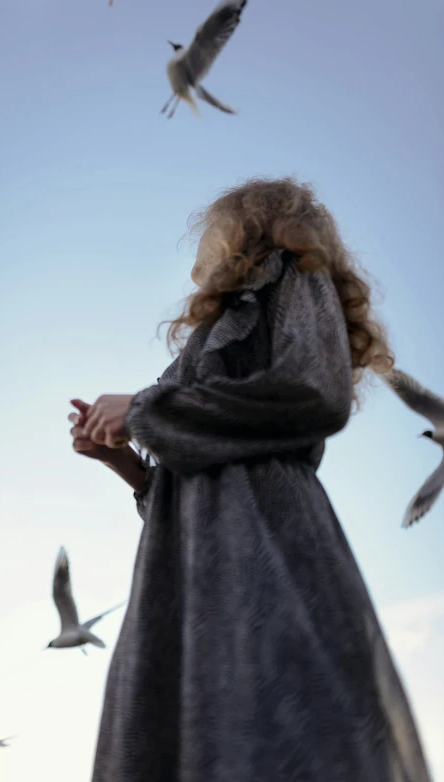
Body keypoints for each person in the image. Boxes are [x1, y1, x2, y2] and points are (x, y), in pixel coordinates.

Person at [68, 177, 432, 782]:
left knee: (265, 722)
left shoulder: (295, 272)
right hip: (184, 566)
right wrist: (124, 462)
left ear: (248, 225)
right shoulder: (212, 330)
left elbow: (316, 393)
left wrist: (142, 410)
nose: (201, 248)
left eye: (212, 229)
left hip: (264, 539)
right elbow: (188, 472)